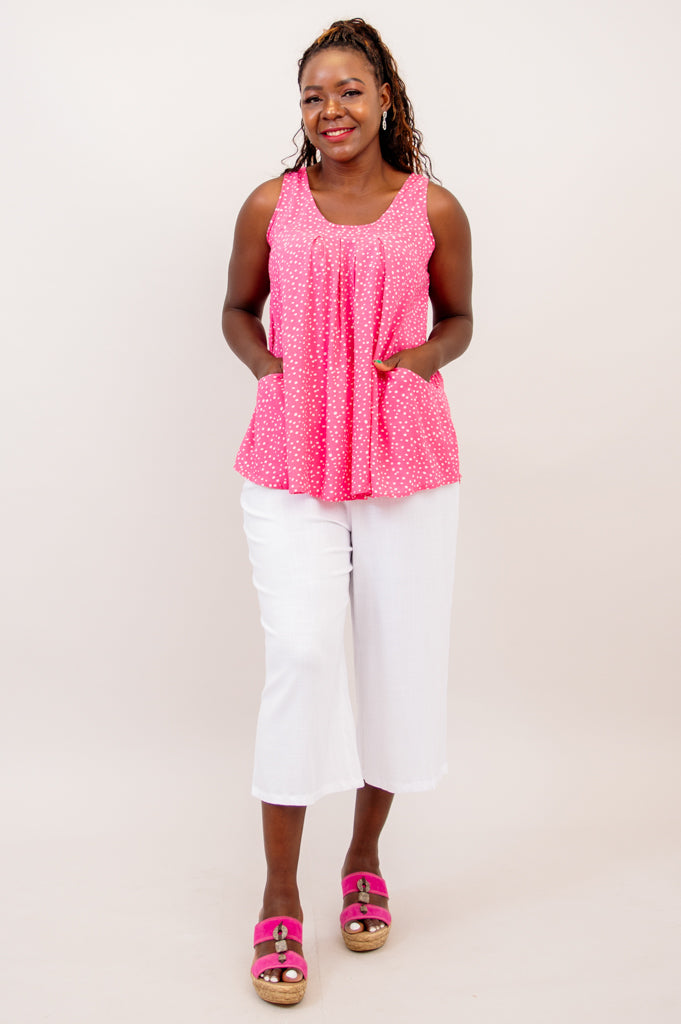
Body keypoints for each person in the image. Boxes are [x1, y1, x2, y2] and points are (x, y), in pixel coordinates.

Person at [222, 17, 472, 1006]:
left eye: (349, 91)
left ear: (384, 98)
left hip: (405, 456)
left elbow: (460, 318)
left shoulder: (433, 207)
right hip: (292, 454)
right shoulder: (269, 204)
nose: (330, 110)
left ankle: (363, 854)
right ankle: (280, 892)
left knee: (397, 663)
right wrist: (268, 371)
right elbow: (237, 308)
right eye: (313, 96)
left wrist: (420, 360)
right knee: (303, 653)